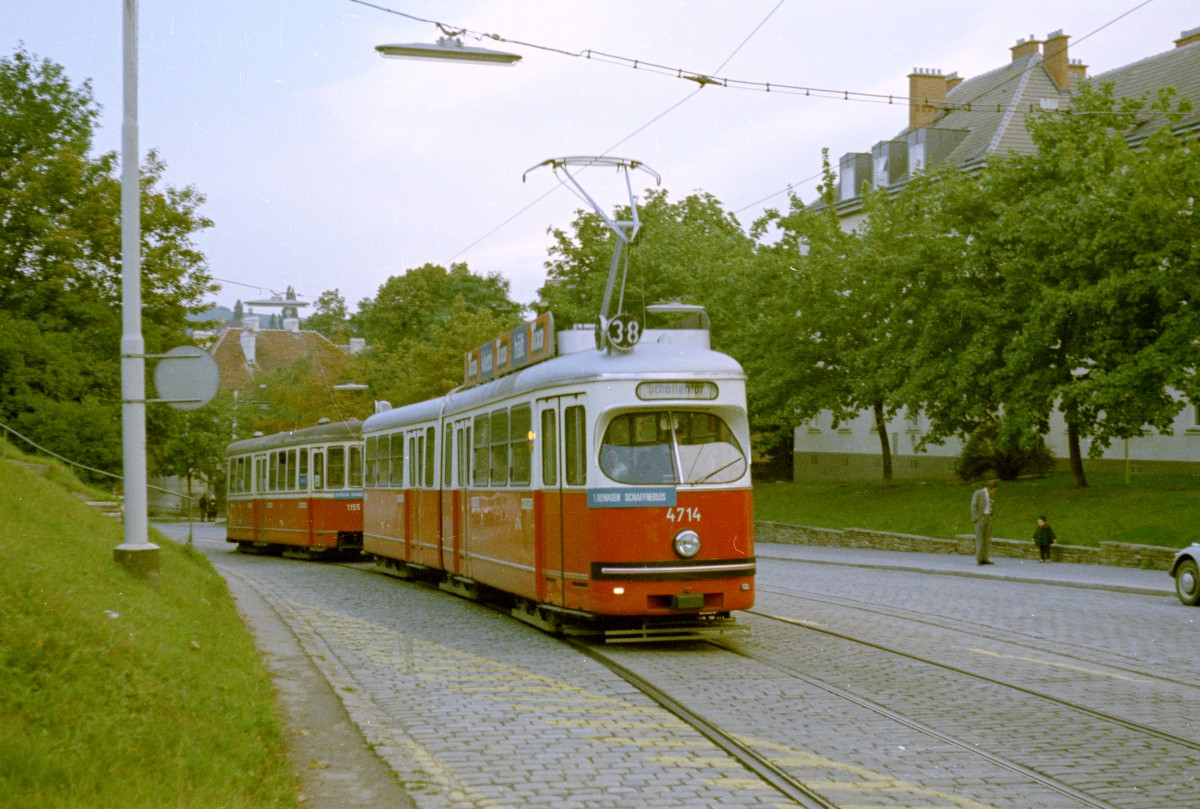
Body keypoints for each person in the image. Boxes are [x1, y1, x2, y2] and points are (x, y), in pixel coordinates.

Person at [970, 479, 998, 565]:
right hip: (981, 517)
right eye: (994, 490)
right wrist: (977, 518)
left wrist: (992, 517)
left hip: (988, 518)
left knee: (987, 539)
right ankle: (979, 559)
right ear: (991, 488)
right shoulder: (979, 493)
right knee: (980, 539)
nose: (995, 492)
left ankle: (985, 558)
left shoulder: (991, 496)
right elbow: (974, 505)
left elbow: (992, 506)